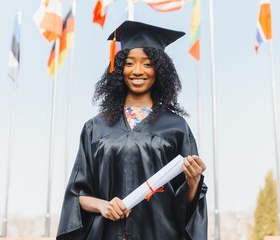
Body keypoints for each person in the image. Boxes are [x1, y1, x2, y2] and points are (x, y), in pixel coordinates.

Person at [56, 20, 208, 240]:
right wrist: (103, 206)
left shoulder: (177, 128)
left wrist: (193, 182)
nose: (138, 71)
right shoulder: (95, 128)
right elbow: (77, 195)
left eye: (147, 64)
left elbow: (188, 205)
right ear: (119, 69)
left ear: (160, 70)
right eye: (130, 63)